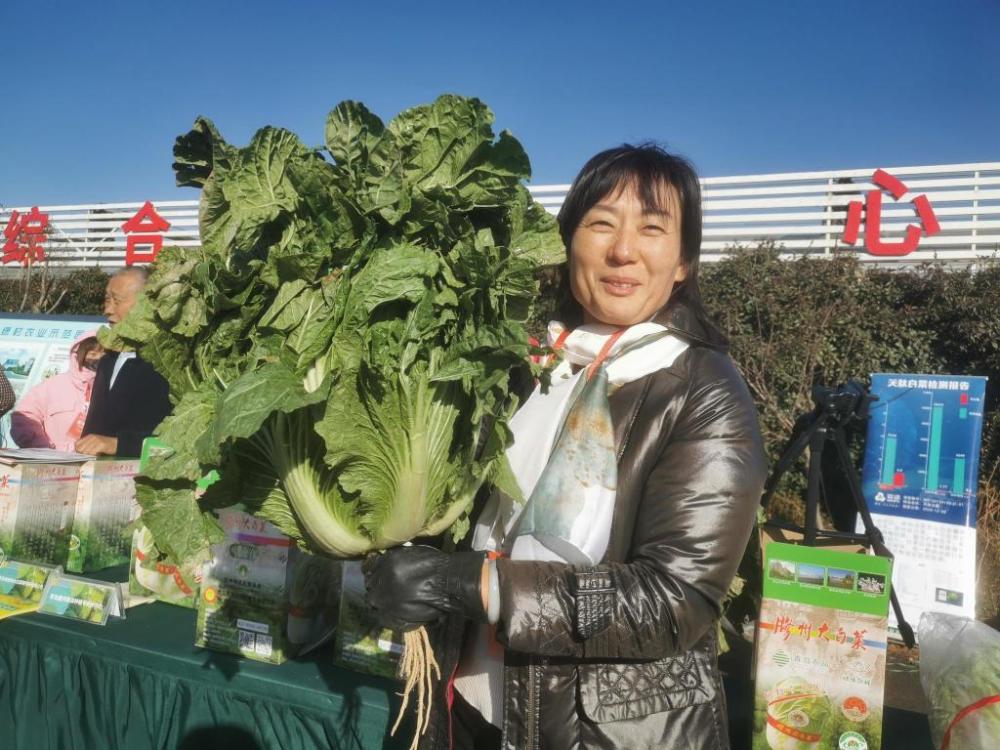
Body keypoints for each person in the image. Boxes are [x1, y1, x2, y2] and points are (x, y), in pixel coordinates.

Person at [365, 144, 768, 749]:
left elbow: (675, 599)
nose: (623, 250)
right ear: (567, 241)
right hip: (464, 704)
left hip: (598, 731)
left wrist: (471, 585)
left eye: (652, 229)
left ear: (683, 261)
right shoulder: (524, 363)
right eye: (601, 223)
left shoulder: (704, 390)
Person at [76, 266, 171, 458]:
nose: (108, 309)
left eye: (116, 300)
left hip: (147, 481)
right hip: (97, 479)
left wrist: (120, 444)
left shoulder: (171, 360)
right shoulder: (108, 360)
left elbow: (182, 439)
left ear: (147, 303)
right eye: (106, 299)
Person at [10, 333, 104, 451]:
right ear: (78, 355)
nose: (99, 358)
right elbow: (24, 416)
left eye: (104, 354)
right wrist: (42, 448)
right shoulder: (50, 386)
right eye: (92, 354)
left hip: (99, 463)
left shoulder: (115, 387)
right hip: (54, 463)